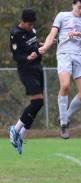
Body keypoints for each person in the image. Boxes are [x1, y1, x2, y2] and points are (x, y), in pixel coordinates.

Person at [39, 0, 81, 139]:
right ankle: (64, 124)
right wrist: (46, 46)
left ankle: (65, 116)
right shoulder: (62, 16)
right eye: (79, 7)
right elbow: (52, 34)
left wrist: (77, 34)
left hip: (79, 57)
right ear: (73, 4)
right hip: (64, 54)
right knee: (65, 85)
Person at [9, 8, 44, 154]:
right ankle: (15, 130)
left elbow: (34, 46)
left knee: (39, 103)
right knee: (37, 101)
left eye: (32, 25)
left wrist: (43, 45)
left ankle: (21, 137)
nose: (31, 27)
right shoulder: (15, 34)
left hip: (37, 68)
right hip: (26, 70)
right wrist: (27, 58)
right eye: (29, 25)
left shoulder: (32, 31)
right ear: (23, 22)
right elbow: (16, 56)